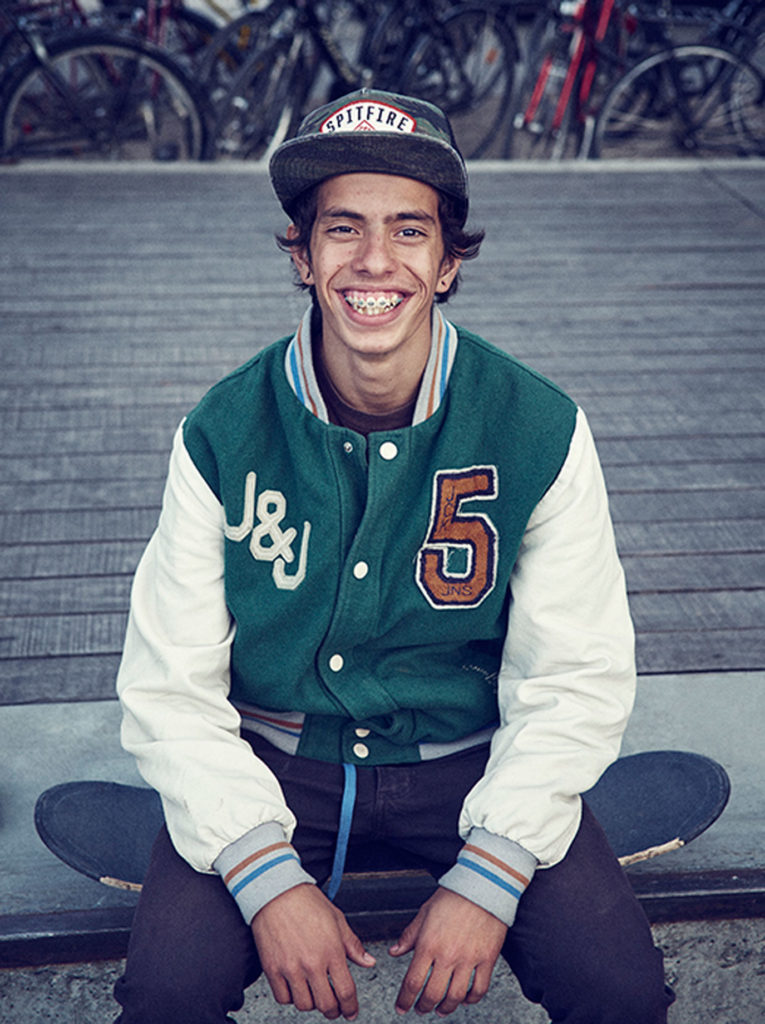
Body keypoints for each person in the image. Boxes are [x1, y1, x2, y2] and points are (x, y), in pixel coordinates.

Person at [113, 88, 674, 1024]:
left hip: (470, 763)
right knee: (167, 993)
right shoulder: (221, 430)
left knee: (619, 991)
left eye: (409, 230)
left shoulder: (537, 427)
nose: (374, 260)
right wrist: (263, 874)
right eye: (343, 227)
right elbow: (169, 684)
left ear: (448, 262)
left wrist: (492, 872)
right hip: (272, 764)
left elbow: (572, 675)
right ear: (302, 253)